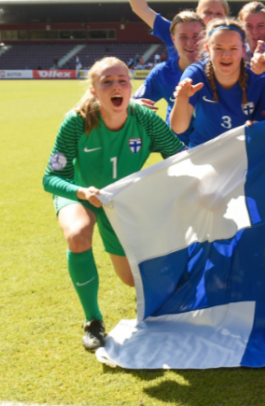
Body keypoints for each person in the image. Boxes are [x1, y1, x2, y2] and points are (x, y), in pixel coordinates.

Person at [42, 57, 185, 351]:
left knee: (131, 280)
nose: (116, 86)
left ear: (130, 86)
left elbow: (179, 154)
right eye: (107, 82)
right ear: (94, 90)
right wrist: (81, 192)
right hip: (79, 194)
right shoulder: (76, 122)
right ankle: (93, 321)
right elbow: (51, 178)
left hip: (120, 201)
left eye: (122, 80)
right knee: (78, 234)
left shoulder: (144, 118)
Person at [170, 19, 265, 147]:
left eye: (233, 48)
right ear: (208, 49)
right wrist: (182, 99)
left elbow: (264, 132)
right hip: (203, 150)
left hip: (244, 153)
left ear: (243, 50)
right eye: (218, 48)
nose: (226, 55)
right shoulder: (195, 75)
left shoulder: (261, 81)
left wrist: (255, 128)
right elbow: (178, 128)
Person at [133, 11, 205, 144]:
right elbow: (134, 101)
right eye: (183, 36)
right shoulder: (162, 73)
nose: (190, 42)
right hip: (177, 150)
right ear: (173, 39)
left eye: (196, 36)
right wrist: (132, 104)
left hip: (213, 149)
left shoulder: (218, 69)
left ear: (205, 37)